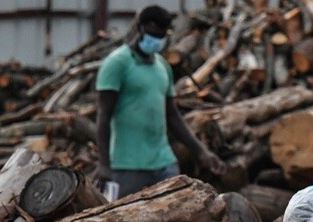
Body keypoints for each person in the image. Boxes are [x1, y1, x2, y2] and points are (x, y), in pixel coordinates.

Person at [95, 5, 225, 198]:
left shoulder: (162, 67)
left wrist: (201, 152)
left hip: (164, 164)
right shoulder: (117, 64)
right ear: (139, 29)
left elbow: (173, 116)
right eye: (152, 34)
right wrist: (104, 164)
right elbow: (104, 116)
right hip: (127, 167)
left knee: (175, 216)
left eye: (161, 36)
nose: (156, 40)